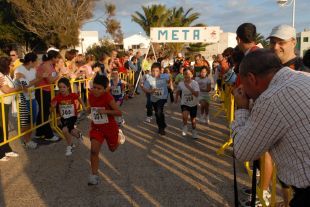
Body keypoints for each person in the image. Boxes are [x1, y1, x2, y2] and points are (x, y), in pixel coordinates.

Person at [232, 49, 310, 207]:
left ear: (252, 78)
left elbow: (242, 151)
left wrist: (241, 109)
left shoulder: (271, 99)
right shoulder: (303, 77)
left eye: (244, 84)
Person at [87, 74, 125, 185]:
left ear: (105, 89)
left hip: (110, 127)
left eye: (99, 89)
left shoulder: (108, 97)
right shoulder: (90, 95)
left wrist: (106, 111)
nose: (95, 90)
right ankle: (94, 175)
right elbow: (91, 108)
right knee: (94, 151)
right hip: (97, 127)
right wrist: (89, 110)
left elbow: (119, 112)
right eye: (94, 87)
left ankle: (118, 136)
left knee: (112, 149)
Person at [14, 52, 45, 149]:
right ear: (31, 61)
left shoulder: (33, 69)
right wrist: (39, 78)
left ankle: (28, 139)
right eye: (36, 60)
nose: (38, 62)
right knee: (26, 121)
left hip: (32, 97)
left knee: (32, 121)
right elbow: (25, 85)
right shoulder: (19, 70)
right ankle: (26, 140)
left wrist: (39, 78)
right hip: (23, 99)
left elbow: (32, 83)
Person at [51, 78, 86, 156]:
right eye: (60, 87)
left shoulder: (72, 95)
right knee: (71, 131)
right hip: (64, 118)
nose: (62, 89)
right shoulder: (57, 97)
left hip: (72, 116)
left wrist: (83, 106)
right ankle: (78, 135)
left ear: (68, 87)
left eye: (64, 87)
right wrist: (53, 107)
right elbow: (52, 107)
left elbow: (79, 98)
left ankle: (70, 146)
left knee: (64, 130)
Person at [35, 50, 61, 142]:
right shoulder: (45, 65)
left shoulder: (50, 65)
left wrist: (57, 74)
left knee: (43, 112)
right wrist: (59, 75)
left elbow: (52, 76)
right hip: (42, 91)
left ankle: (39, 132)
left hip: (47, 90)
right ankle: (48, 135)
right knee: (45, 112)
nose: (58, 59)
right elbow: (50, 80)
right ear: (53, 58)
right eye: (57, 57)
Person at [0, 57, 21, 161]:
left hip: (6, 104)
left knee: (4, 128)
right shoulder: (0, 75)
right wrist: (18, 88)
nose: (12, 66)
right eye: (10, 65)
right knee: (1, 128)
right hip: (1, 104)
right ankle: (1, 153)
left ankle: (6, 149)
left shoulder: (5, 75)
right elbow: (6, 90)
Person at [142, 62, 169, 135]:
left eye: (157, 71)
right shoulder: (149, 79)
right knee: (157, 113)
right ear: (151, 71)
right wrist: (151, 91)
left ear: (160, 71)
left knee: (159, 111)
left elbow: (170, 78)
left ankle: (161, 128)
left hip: (163, 97)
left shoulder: (165, 76)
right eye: (153, 71)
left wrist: (171, 85)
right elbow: (145, 89)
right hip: (154, 98)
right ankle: (162, 124)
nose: (155, 73)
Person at [175, 68, 200, 139]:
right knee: (184, 116)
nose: (187, 75)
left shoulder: (195, 83)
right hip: (184, 103)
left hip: (193, 104)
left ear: (192, 75)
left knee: (193, 120)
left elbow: (197, 94)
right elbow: (178, 91)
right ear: (183, 75)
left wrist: (189, 87)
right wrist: (176, 98)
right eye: (185, 74)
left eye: (189, 74)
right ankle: (185, 126)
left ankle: (194, 131)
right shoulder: (181, 83)